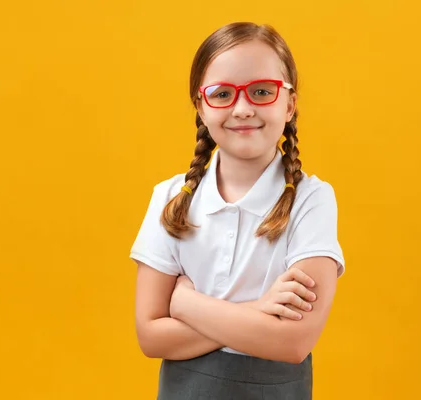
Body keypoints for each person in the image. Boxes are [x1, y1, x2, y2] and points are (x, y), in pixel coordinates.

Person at [130, 21, 345, 399]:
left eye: (262, 91)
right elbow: (150, 336)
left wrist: (185, 304)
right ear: (200, 104)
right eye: (223, 93)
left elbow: (293, 343)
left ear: (290, 103)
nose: (243, 108)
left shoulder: (312, 200)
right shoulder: (170, 199)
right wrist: (259, 310)